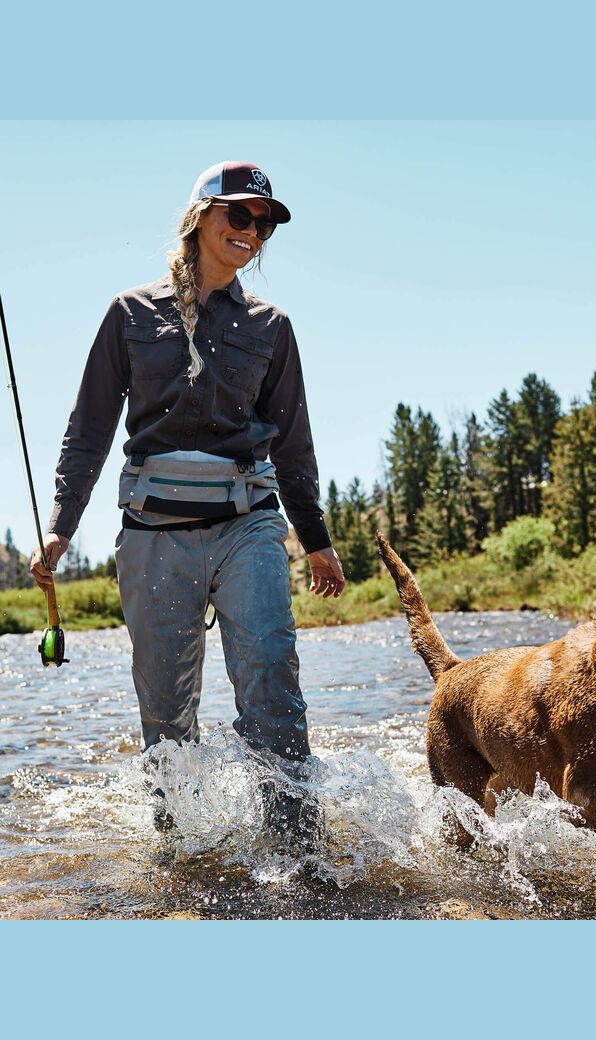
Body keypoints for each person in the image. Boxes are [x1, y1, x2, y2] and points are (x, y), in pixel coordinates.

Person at [31, 161, 345, 827]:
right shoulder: (129, 313)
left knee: (272, 687)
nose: (251, 231)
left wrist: (315, 541)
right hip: (153, 535)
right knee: (167, 713)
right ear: (199, 216)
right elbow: (88, 429)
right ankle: (183, 857)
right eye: (239, 215)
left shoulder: (271, 327)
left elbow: (293, 444)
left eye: (263, 224)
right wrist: (61, 525)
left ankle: (298, 850)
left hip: (248, 528)